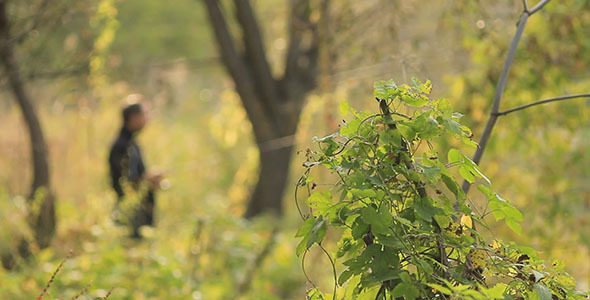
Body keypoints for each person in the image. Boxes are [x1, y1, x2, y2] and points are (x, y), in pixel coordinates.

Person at [108, 94, 162, 238]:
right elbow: (126, 184)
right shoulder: (122, 146)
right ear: (133, 117)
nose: (147, 119)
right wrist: (148, 179)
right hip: (131, 216)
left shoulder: (131, 143)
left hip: (138, 213)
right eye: (145, 114)